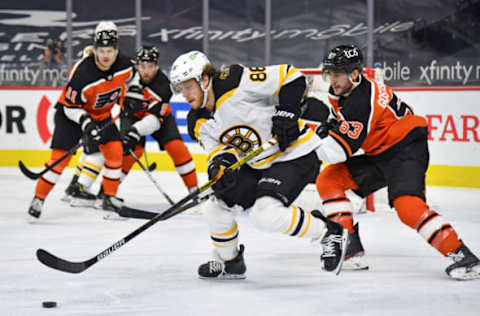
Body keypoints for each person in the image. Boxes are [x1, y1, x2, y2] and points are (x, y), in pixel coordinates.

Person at [170, 50, 349, 279]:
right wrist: (220, 167)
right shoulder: (196, 120)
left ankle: (328, 232)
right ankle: (231, 261)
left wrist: (287, 112)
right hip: (257, 163)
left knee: (265, 214)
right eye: (180, 89)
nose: (184, 95)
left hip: (293, 152)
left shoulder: (234, 80)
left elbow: (291, 76)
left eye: (187, 87)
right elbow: (218, 151)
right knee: (215, 208)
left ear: (204, 80)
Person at [312, 44, 480, 280]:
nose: (333, 79)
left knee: (407, 206)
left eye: (338, 74)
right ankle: (349, 246)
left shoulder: (362, 100)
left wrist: (303, 147)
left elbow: (339, 151)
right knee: (329, 179)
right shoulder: (343, 92)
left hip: (406, 147)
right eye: (330, 73)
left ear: (355, 74)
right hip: (380, 151)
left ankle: (463, 256)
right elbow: (340, 122)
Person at [27, 21, 136, 219]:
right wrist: (85, 122)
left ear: (116, 50)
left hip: (101, 116)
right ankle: (38, 199)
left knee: (115, 152)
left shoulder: (126, 66)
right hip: (71, 116)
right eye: (101, 50)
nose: (105, 55)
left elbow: (132, 80)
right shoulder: (82, 73)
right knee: (58, 162)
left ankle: (108, 197)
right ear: (95, 50)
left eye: (109, 50)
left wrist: (131, 97)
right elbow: (70, 106)